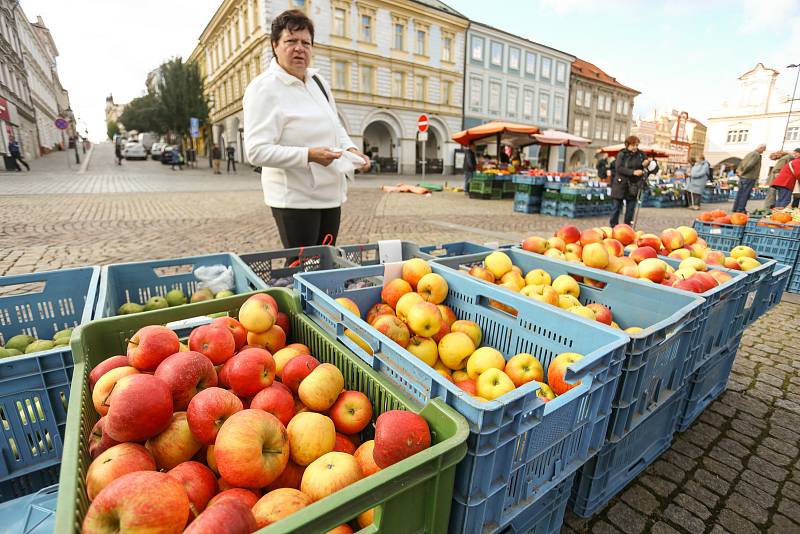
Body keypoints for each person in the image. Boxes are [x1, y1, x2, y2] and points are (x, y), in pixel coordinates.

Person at [243, 9, 369, 249]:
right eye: (290, 41)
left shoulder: (318, 81)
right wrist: (309, 155)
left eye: (305, 43)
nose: (299, 48)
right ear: (275, 46)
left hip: (330, 196)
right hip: (295, 201)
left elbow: (335, 125)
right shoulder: (263, 89)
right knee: (302, 268)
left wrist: (352, 149)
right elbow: (256, 152)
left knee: (325, 261)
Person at [610, 135, 646, 226]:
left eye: (637, 145)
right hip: (620, 185)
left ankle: (627, 228)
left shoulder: (641, 154)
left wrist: (647, 163)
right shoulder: (622, 154)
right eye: (633, 145)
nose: (635, 147)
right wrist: (633, 172)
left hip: (633, 185)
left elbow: (648, 165)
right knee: (616, 208)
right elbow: (619, 168)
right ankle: (613, 227)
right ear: (627, 145)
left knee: (630, 209)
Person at [732, 143, 766, 213]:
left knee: (740, 193)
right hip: (749, 177)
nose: (763, 152)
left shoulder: (749, 153)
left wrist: (739, 171)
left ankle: (735, 208)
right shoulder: (756, 155)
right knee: (745, 194)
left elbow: (742, 162)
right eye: (763, 150)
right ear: (761, 148)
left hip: (743, 177)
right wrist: (743, 172)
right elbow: (750, 164)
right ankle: (740, 209)